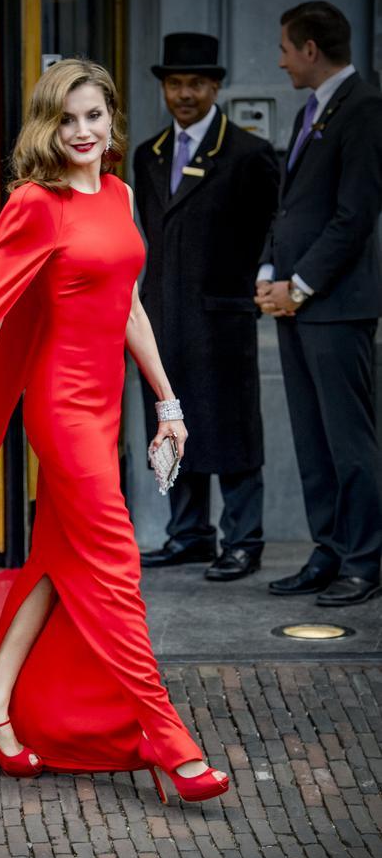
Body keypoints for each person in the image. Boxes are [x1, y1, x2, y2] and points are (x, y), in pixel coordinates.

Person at [0, 59, 230, 805]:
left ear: (112, 122)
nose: (81, 132)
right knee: (116, 566)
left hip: (104, 404)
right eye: (66, 119)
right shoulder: (34, 205)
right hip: (59, 406)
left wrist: (167, 402)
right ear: (49, 124)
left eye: (94, 117)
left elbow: (129, 305)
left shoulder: (120, 192)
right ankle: (171, 740)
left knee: (59, 556)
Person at [134, 33, 279, 581]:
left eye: (196, 83)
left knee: (233, 430)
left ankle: (244, 540)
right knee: (175, 421)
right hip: (165, 315)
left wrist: (264, 277)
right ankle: (188, 535)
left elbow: (272, 227)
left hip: (221, 317)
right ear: (164, 88)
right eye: (175, 83)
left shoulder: (247, 153)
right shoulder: (148, 155)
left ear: (215, 87)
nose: (185, 93)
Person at [256, 1, 382, 607]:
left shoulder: (364, 108)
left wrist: (298, 285)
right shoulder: (313, 108)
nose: (279, 60)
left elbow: (354, 216)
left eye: (285, 48)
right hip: (297, 303)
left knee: (349, 443)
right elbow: (293, 208)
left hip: (336, 307)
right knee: (312, 442)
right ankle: (328, 551)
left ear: (309, 49)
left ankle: (363, 560)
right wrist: (268, 274)